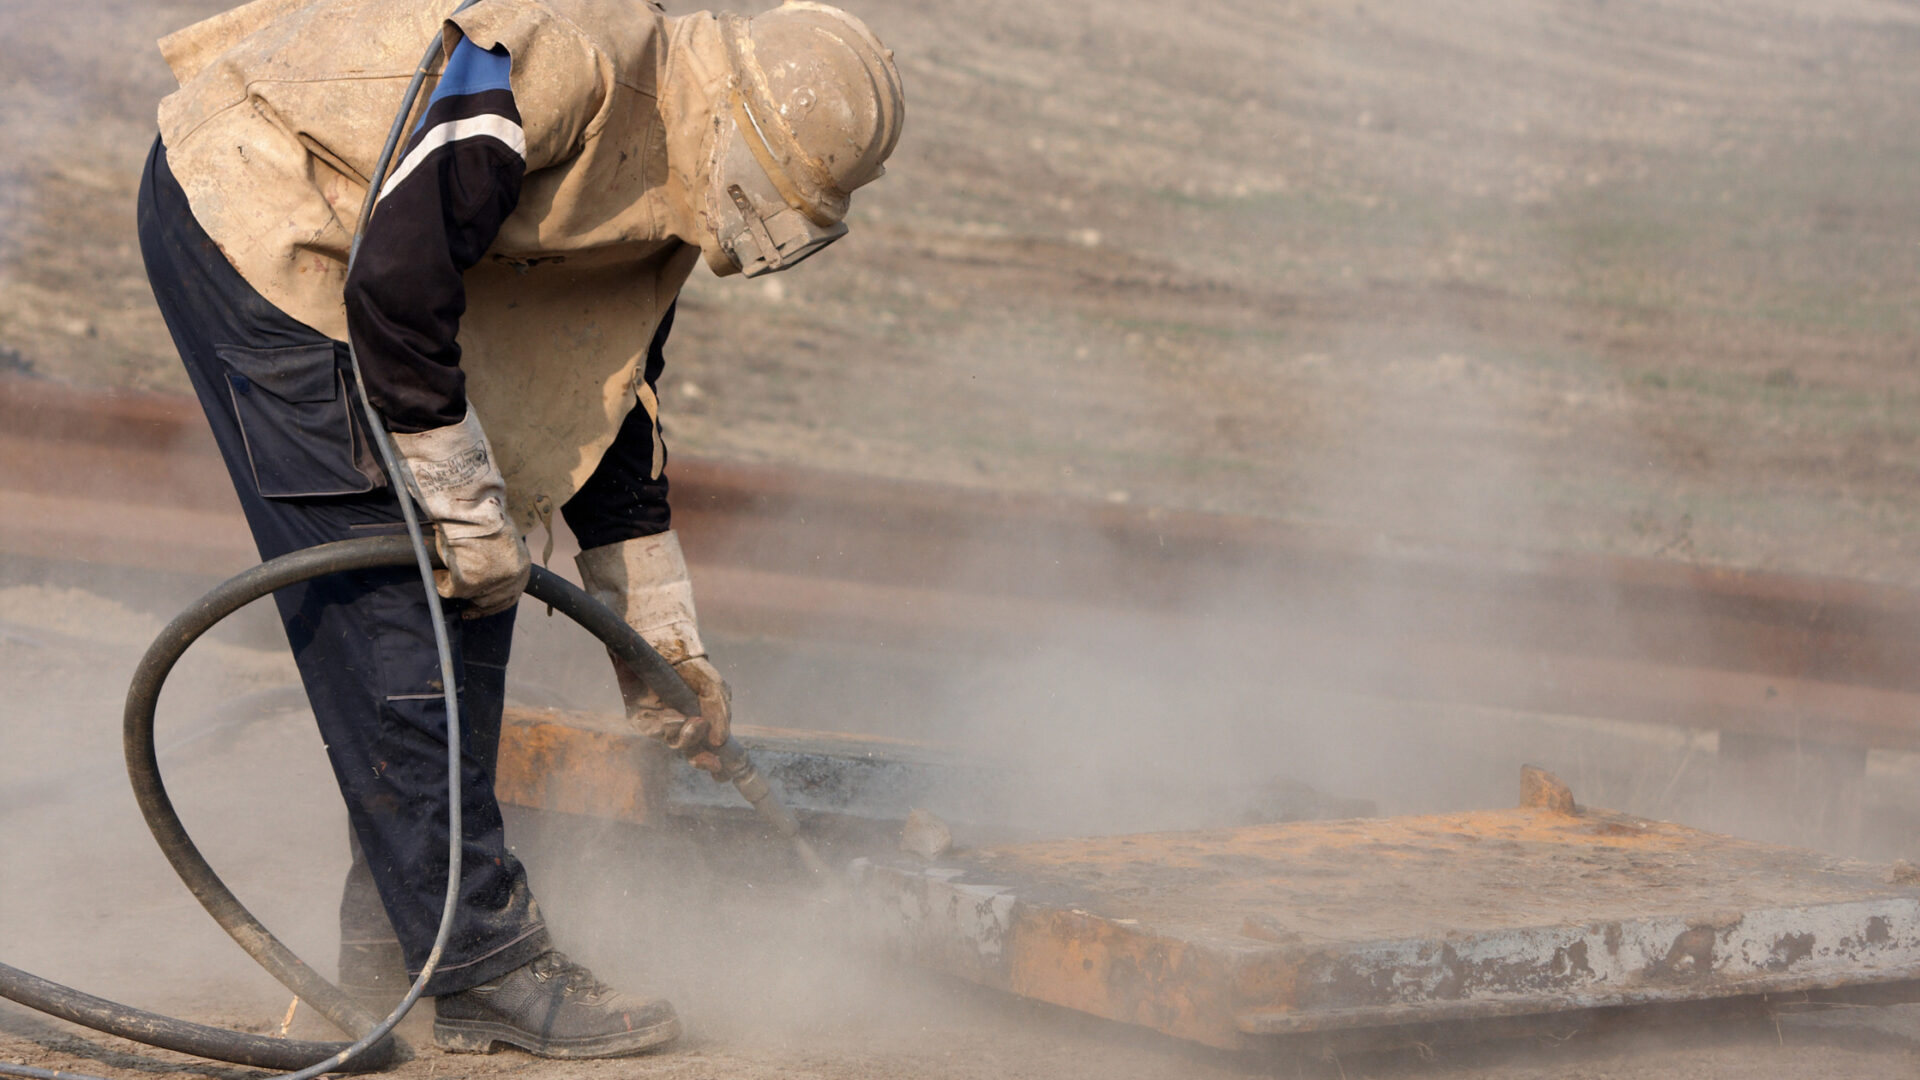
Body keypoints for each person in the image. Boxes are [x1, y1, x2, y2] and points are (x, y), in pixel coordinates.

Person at [135, 0, 903, 1059]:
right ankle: (482, 961)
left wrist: (662, 637)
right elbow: (396, 283)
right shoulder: (564, 63)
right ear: (742, 134)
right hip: (271, 227)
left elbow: (600, 387)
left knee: (469, 593)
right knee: (404, 598)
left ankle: (393, 951)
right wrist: (458, 496)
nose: (748, 233)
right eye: (766, 200)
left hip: (380, 277)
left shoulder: (672, 152)